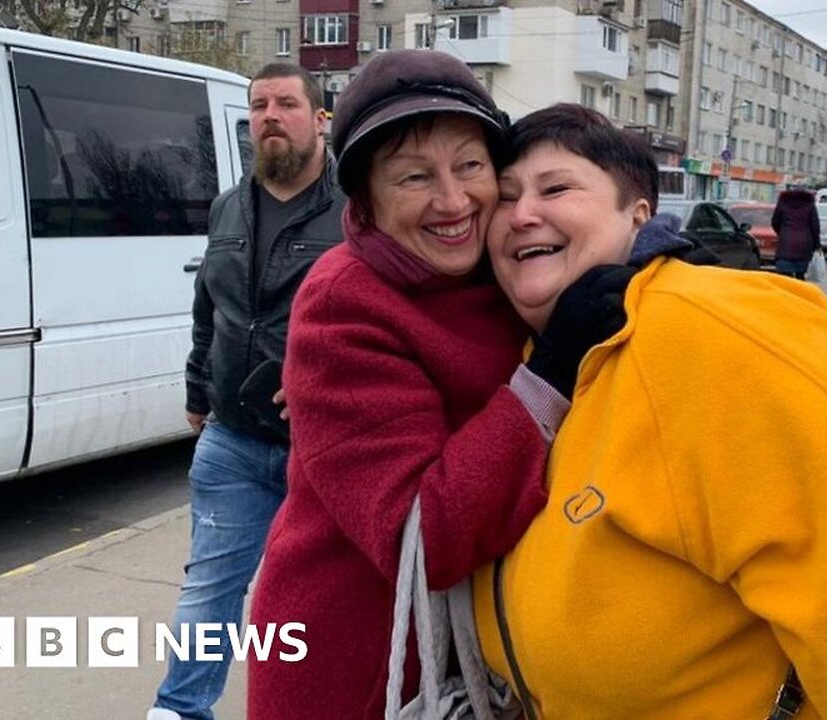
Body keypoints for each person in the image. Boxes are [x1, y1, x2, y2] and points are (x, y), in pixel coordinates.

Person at [474, 104, 827, 719]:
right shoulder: (544, 359)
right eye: (504, 198)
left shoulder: (715, 332)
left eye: (556, 188)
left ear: (638, 213)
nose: (524, 213)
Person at [244, 51, 615, 719]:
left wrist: (640, 253)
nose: (453, 201)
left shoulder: (490, 264)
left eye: (470, 166)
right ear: (367, 200)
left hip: (472, 658)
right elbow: (426, 539)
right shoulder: (343, 302)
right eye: (415, 177)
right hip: (362, 667)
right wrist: (549, 376)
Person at [148, 63, 347, 720]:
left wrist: (328, 371)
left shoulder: (359, 211)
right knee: (209, 590)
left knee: (319, 602)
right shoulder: (228, 206)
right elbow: (210, 308)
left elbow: (387, 309)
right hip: (230, 440)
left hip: (321, 447)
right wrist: (197, 390)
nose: (269, 115)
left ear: (320, 120)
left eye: (286, 103)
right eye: (258, 104)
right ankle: (179, 710)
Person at [770, 184, 820, 279]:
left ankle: (785, 292)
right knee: (800, 274)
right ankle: (798, 292)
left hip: (786, 242)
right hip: (804, 243)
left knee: (784, 277)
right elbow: (815, 226)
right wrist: (817, 244)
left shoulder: (783, 202)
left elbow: (775, 221)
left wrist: (782, 233)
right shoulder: (809, 204)